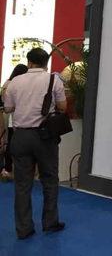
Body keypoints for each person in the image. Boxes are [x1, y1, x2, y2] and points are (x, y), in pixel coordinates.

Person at [2, 48, 67, 240]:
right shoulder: (54, 80)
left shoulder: (15, 81)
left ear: (29, 62)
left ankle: (23, 229)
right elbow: (63, 106)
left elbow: (8, 108)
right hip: (45, 137)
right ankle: (50, 222)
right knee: (50, 179)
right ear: (46, 63)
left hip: (21, 136)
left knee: (22, 185)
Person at [1, 64, 29, 180]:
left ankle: (8, 169)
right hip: (11, 117)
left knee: (11, 143)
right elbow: (8, 104)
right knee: (10, 143)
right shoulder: (11, 85)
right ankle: (8, 169)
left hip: (11, 116)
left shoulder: (8, 83)